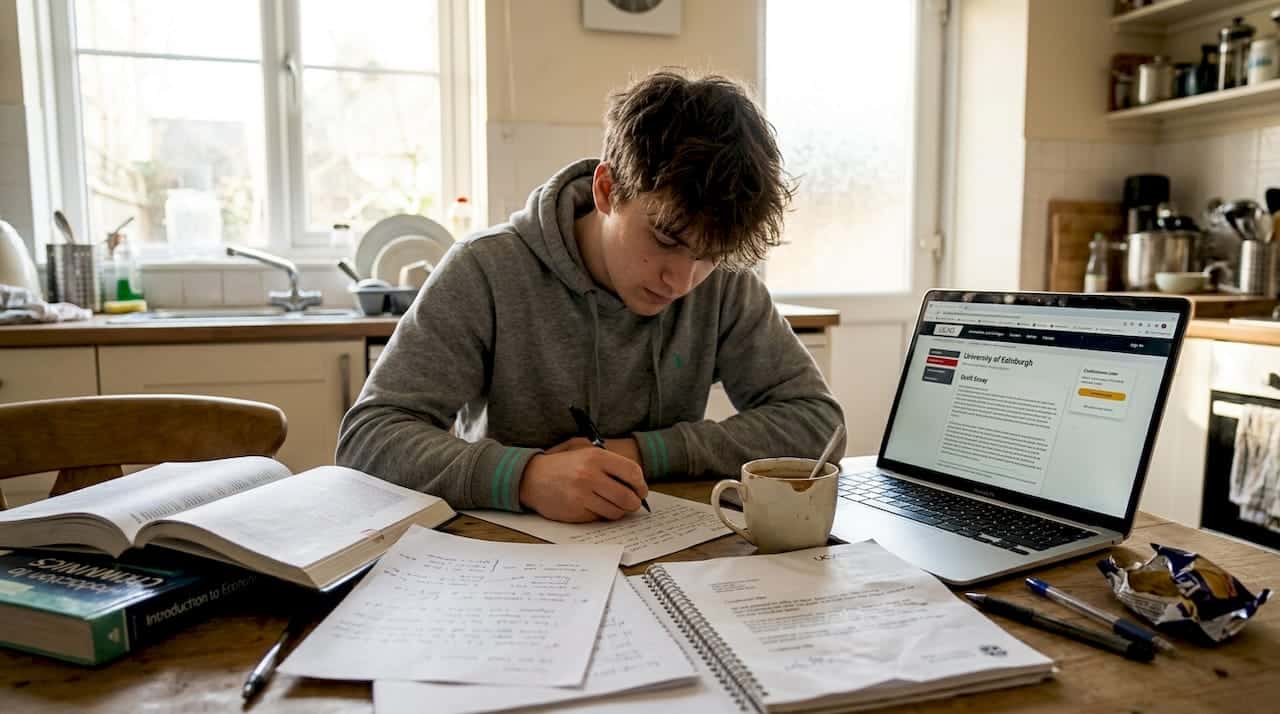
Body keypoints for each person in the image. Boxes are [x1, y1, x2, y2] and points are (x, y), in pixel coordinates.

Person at [337, 68, 845, 523]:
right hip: (509, 561)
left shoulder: (726, 283)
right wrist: (526, 477)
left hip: (663, 552)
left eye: (709, 254)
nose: (683, 280)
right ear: (606, 190)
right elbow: (369, 438)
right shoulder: (486, 269)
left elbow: (816, 422)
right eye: (666, 240)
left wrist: (644, 453)